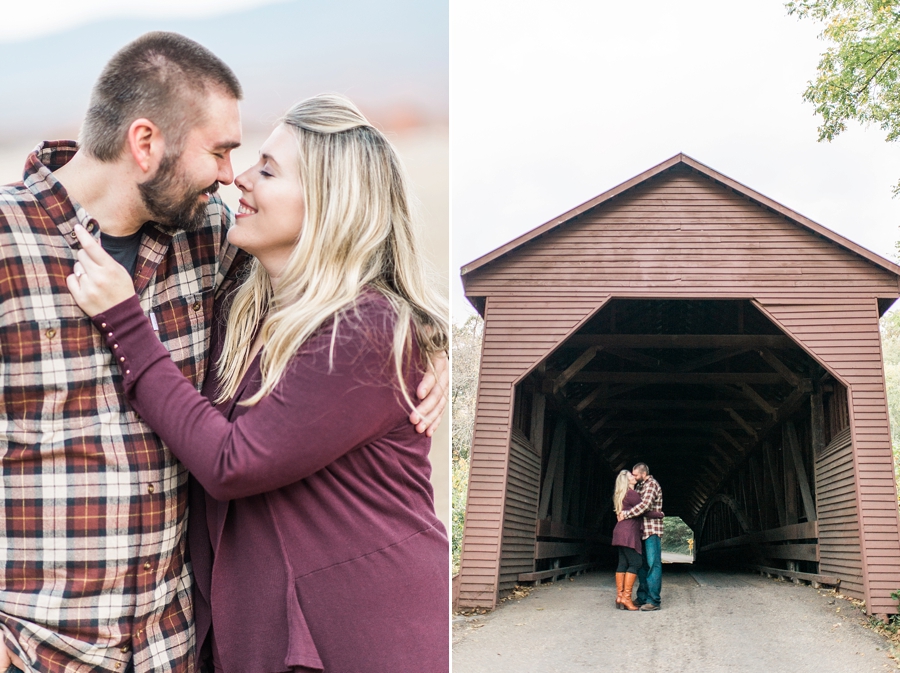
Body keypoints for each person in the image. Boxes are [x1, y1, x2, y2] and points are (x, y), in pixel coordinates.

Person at [0, 33, 447, 673]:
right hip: (43, 651)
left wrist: (427, 347)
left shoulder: (210, 239)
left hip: (178, 645)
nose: (231, 176)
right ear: (146, 143)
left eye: (257, 163)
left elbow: (345, 285)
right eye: (221, 151)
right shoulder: (11, 244)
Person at [611, 469, 663, 611]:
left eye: (634, 474)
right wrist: (659, 514)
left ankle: (620, 596)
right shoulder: (632, 494)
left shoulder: (623, 494)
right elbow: (644, 509)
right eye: (630, 476)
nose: (633, 477)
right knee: (636, 562)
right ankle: (626, 598)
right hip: (627, 532)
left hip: (619, 531)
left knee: (623, 563)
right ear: (627, 480)